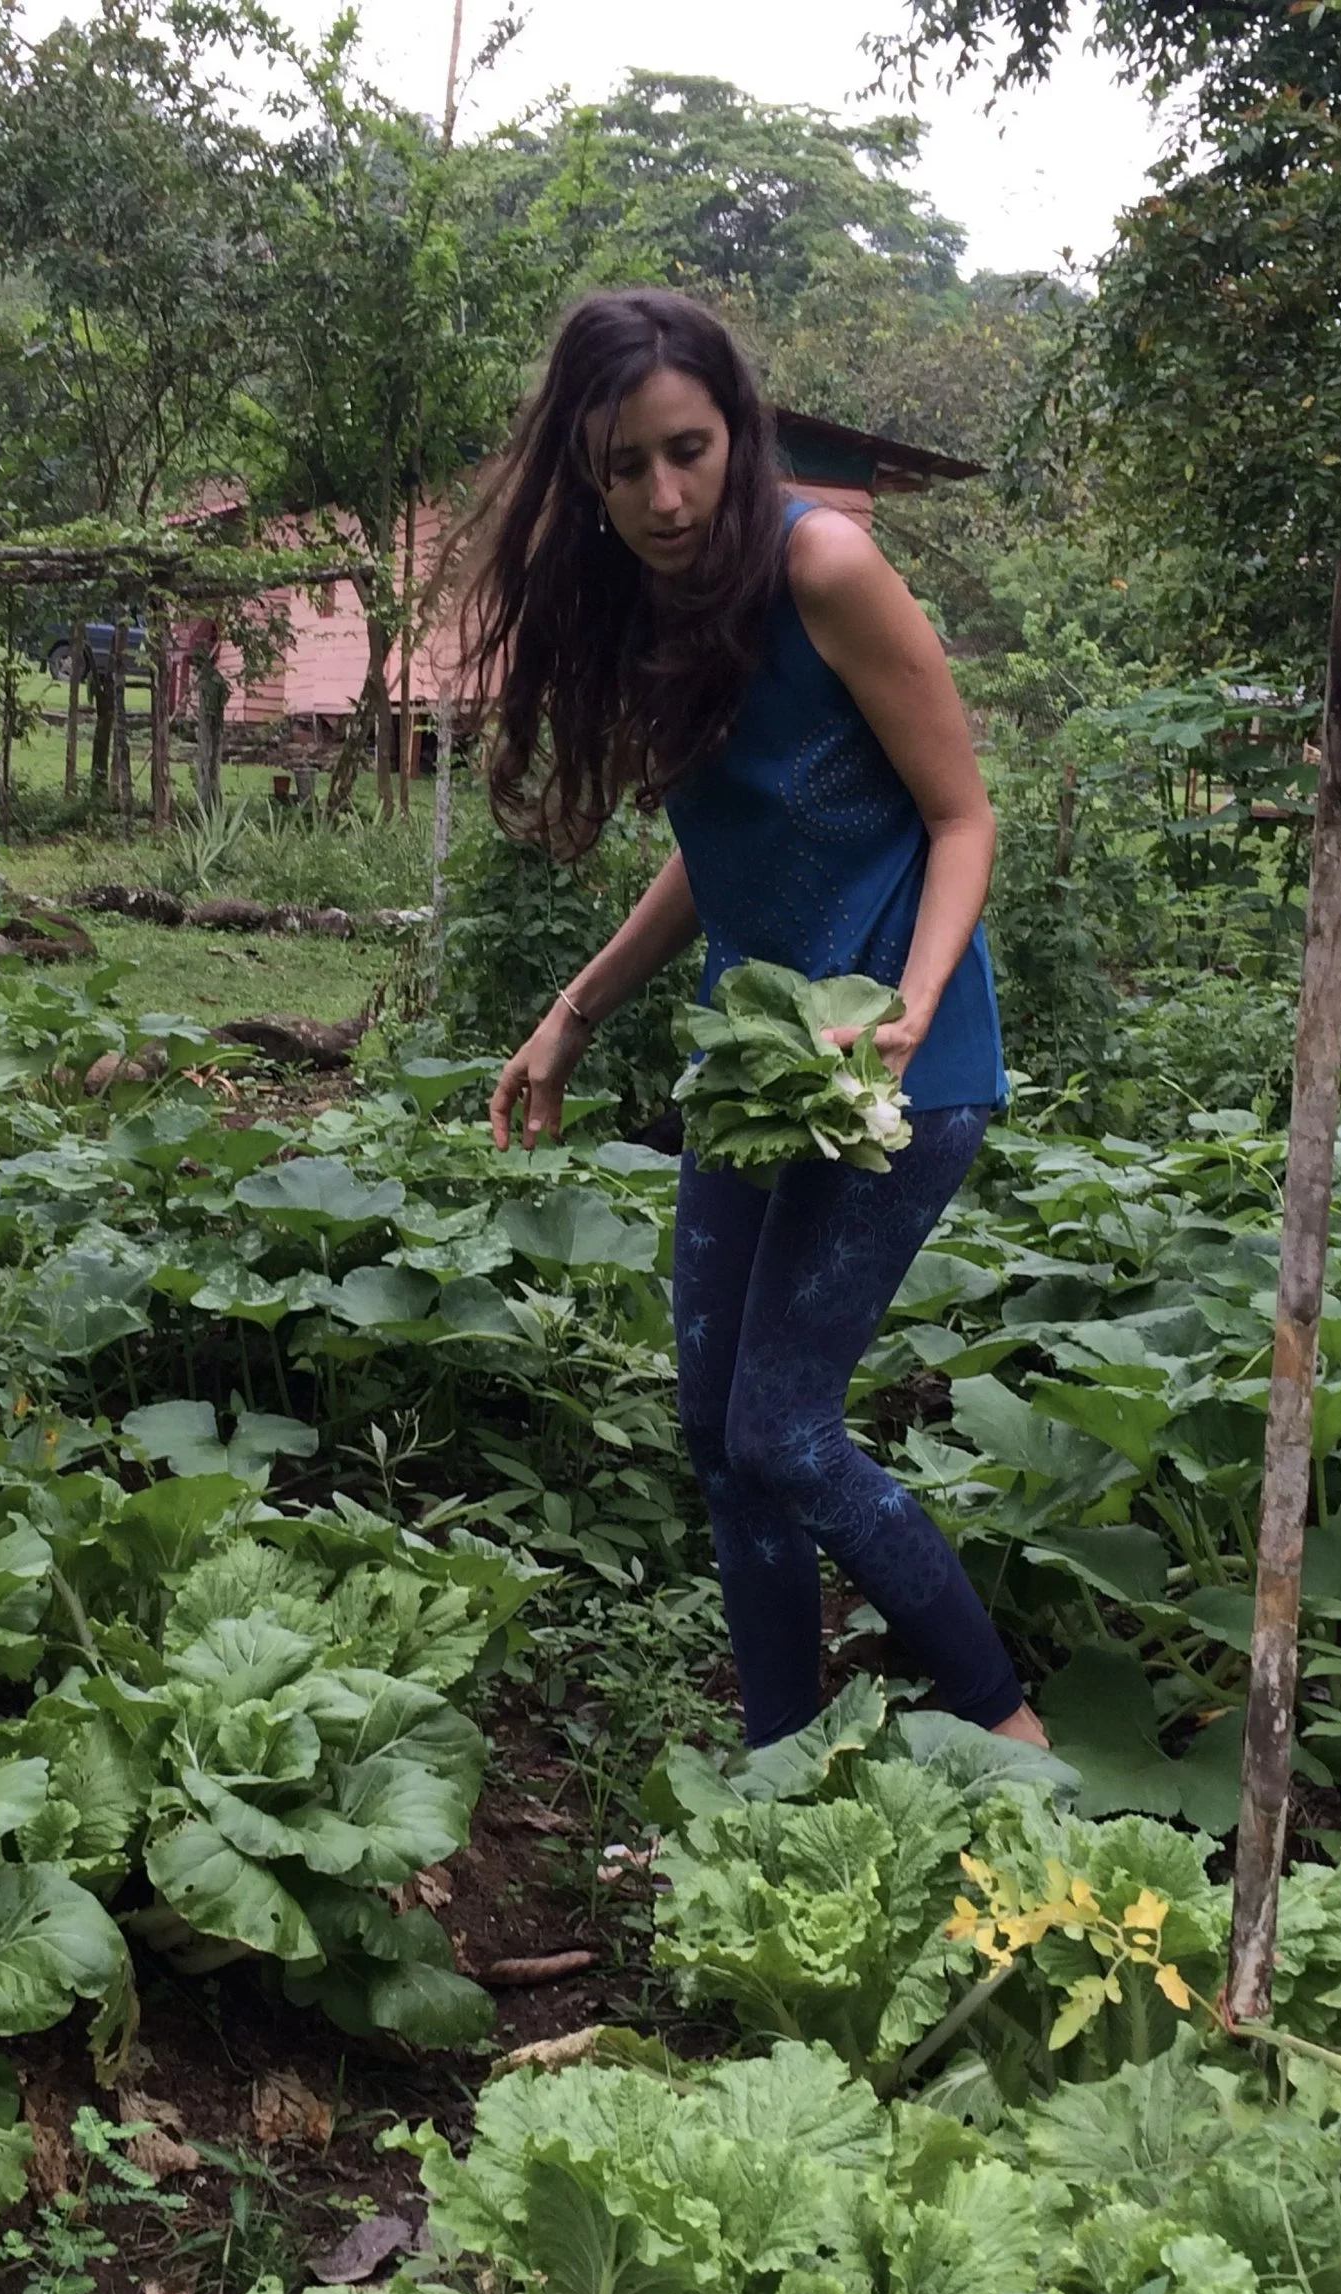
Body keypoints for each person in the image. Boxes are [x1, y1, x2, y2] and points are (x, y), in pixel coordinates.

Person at [467, 288, 1047, 1753]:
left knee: (784, 1431)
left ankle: (1013, 1727)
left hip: (901, 1072)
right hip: (755, 1069)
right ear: (583, 479)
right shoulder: (645, 602)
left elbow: (962, 818)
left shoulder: (824, 567)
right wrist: (575, 1010)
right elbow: (722, 849)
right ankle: (782, 1766)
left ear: (739, 433)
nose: (664, 495)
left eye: (690, 449)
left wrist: (910, 1013)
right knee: (721, 1446)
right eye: (623, 466)